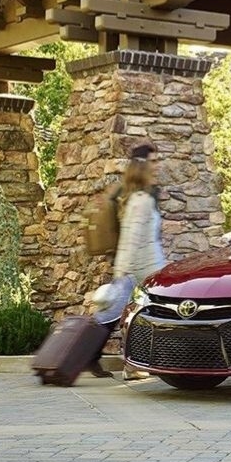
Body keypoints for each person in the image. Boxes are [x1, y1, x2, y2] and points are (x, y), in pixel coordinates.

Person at [88, 143, 166, 380]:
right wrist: (122, 272)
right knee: (120, 316)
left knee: (126, 316)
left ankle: (129, 364)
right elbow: (131, 240)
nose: (157, 165)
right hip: (141, 271)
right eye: (153, 161)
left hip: (145, 268)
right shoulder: (140, 200)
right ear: (142, 166)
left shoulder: (139, 197)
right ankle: (125, 364)